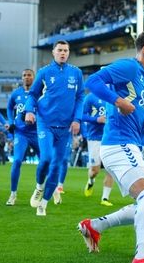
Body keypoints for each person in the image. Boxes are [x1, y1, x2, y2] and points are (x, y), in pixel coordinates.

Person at [77, 30, 144, 263]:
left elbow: (134, 110)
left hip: (128, 144)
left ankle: (94, 226)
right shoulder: (129, 66)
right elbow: (92, 81)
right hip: (118, 142)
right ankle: (143, 256)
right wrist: (117, 100)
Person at [24, 40, 84, 216]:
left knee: (58, 165)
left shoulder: (76, 73)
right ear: (53, 52)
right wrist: (29, 111)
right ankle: (39, 187)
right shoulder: (44, 73)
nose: (63, 53)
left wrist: (77, 119)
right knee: (46, 159)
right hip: (45, 122)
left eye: (66, 50)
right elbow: (33, 95)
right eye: (60, 50)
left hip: (65, 127)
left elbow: (80, 97)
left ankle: (43, 203)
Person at [6, 69, 36, 206]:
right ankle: (13, 194)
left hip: (37, 132)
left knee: (47, 161)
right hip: (21, 132)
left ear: (34, 77)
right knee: (17, 161)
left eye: (29, 75)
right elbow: (9, 107)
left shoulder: (40, 92)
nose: (26, 77)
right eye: (24, 75)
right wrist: (11, 121)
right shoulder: (16, 93)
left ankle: (47, 189)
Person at [81, 90, 115, 206]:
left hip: (110, 137)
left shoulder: (114, 96)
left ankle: (105, 198)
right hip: (94, 137)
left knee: (111, 168)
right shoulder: (90, 97)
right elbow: (81, 115)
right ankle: (90, 181)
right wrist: (96, 119)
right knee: (95, 171)